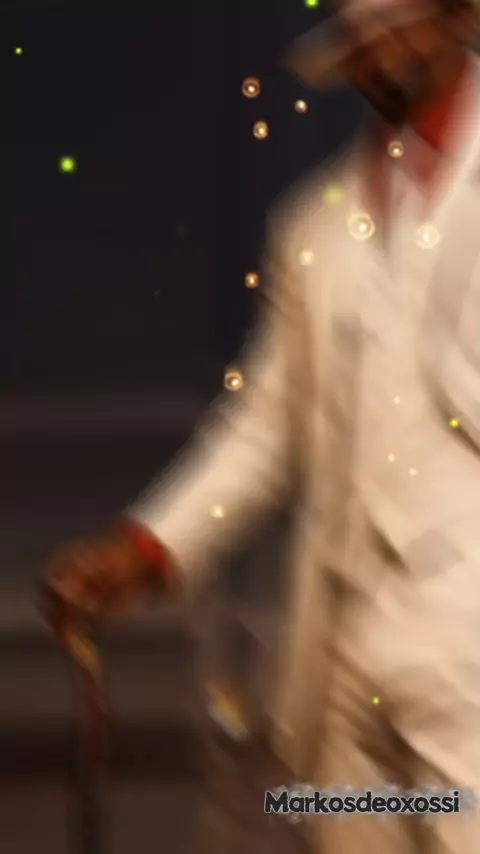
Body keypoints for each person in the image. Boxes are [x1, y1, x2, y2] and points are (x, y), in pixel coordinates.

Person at [40, 0, 480, 851]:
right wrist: (146, 549)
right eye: (360, 32)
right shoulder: (314, 227)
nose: (379, 45)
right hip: (346, 641)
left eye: (399, 18)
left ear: (457, 16)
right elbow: (267, 426)